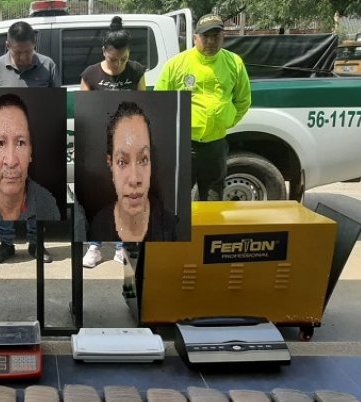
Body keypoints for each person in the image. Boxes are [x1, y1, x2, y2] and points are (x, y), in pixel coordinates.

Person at [0, 21, 59, 264]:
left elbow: (54, 107)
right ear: (8, 46)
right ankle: (6, 243)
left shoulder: (48, 66)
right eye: (18, 52)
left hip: (36, 145)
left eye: (29, 51)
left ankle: (36, 243)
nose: (25, 57)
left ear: (34, 44)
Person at [154, 13, 251, 201]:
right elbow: (160, 103)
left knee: (214, 196)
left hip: (216, 145)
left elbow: (243, 100)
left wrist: (227, 120)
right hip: (183, 144)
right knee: (178, 198)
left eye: (216, 36)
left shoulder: (234, 63)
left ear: (223, 37)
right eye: (206, 36)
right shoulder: (176, 64)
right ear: (195, 38)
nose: (211, 41)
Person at [79, 16, 146, 268]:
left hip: (128, 147)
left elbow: (143, 107)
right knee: (99, 196)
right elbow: (84, 113)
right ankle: (95, 246)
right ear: (104, 52)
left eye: (123, 59)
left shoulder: (136, 71)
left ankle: (122, 244)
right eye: (113, 59)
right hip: (100, 145)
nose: (118, 64)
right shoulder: (90, 74)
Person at [0, 93, 60, 224]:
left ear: (30, 151)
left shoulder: (48, 206)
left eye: (20, 143)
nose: (11, 161)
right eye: (1, 143)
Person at [89, 101, 177, 242]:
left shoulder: (172, 228)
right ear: (110, 164)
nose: (134, 179)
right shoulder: (98, 226)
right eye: (122, 162)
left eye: (143, 160)